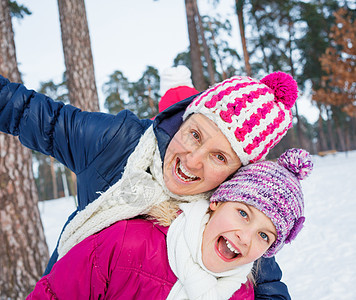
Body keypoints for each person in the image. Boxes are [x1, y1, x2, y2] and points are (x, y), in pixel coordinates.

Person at [0, 71, 297, 298]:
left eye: (218, 157)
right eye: (195, 135)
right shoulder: (116, 142)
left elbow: (266, 282)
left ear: (235, 174)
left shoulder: (230, 214)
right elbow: (34, 114)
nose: (192, 162)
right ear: (183, 120)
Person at [26, 148, 313, 299]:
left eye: (264, 235)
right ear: (217, 202)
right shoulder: (126, 242)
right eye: (243, 213)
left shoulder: (242, 294)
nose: (246, 237)